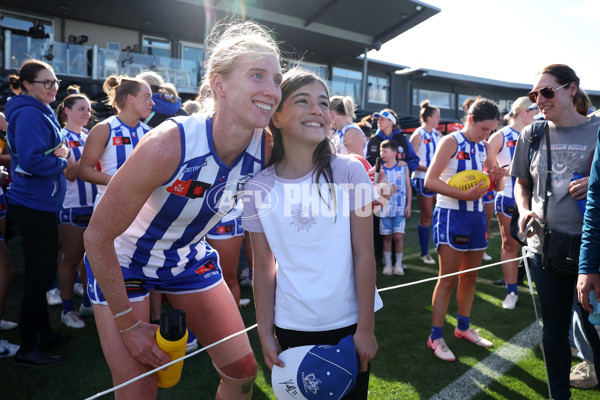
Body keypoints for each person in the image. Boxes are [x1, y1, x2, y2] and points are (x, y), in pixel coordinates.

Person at [82, 21, 282, 399]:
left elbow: (317, 161)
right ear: (218, 84)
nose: (271, 91)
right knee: (139, 393)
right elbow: (96, 237)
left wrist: (354, 172)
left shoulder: (268, 147)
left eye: (276, 79)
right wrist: (128, 327)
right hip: (123, 264)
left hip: (187, 260)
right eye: (257, 75)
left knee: (242, 373)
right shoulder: (168, 143)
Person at [243, 67, 380, 399]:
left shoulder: (351, 172)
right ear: (276, 117)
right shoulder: (256, 189)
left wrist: (366, 327)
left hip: (348, 326)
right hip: (291, 326)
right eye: (302, 101)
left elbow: (365, 253)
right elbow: (263, 266)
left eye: (323, 102)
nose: (317, 110)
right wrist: (264, 332)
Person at [513, 64, 600, 400]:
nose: (540, 100)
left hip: (591, 250)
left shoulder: (596, 129)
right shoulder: (531, 133)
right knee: (554, 330)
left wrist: (594, 185)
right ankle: (559, 395)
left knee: (593, 327)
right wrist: (523, 210)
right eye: (536, 94)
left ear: (571, 90)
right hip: (545, 249)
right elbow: (521, 183)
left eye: (547, 92)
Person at [424, 97, 505, 362]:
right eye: (484, 128)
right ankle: (436, 336)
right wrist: (463, 196)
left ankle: (463, 327)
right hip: (450, 215)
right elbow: (430, 181)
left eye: (491, 130)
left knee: (470, 277)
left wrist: (497, 178)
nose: (487, 134)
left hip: (477, 216)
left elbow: (496, 186)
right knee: (447, 279)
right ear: (470, 120)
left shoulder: (484, 146)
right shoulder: (450, 141)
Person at [5, 59, 71, 367]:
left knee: (39, 274)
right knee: (40, 276)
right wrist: (62, 161)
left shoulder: (34, 110)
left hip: (37, 202)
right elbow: (31, 162)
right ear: (27, 84)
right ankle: (28, 348)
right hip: (34, 204)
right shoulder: (31, 113)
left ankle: (43, 336)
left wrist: (58, 155)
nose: (53, 86)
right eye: (47, 82)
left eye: (55, 81)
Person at [487, 96, 536, 310]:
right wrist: (501, 172)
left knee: (535, 243)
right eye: (535, 111)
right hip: (507, 195)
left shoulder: (537, 132)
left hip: (534, 197)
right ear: (523, 112)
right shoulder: (501, 136)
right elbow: (487, 166)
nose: (539, 115)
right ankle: (512, 291)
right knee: (510, 244)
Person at [55, 86, 97, 329]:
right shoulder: (61, 137)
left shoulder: (89, 135)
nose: (86, 113)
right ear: (67, 111)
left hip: (95, 205)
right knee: (71, 259)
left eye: (88, 110)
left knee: (90, 260)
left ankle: (88, 304)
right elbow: (69, 173)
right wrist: (90, 156)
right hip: (73, 206)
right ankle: (67, 309)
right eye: (81, 109)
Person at [78, 75, 153, 207]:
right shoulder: (104, 129)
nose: (152, 103)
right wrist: (114, 181)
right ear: (131, 98)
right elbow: (84, 171)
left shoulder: (150, 132)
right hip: (109, 206)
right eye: (147, 97)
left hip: (141, 211)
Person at [366, 108, 418, 268]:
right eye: (378, 119)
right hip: (378, 192)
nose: (378, 121)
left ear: (391, 122)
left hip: (399, 195)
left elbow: (414, 160)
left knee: (397, 232)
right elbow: (366, 164)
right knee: (377, 226)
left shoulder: (402, 139)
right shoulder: (374, 140)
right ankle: (378, 259)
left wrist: (405, 164)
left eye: (382, 119)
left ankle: (397, 263)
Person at [410, 100, 442, 265]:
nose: (439, 119)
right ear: (429, 118)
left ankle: (439, 246)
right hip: (422, 179)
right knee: (427, 215)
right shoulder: (418, 134)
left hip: (436, 179)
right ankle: (424, 253)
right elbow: (412, 160)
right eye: (437, 116)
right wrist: (429, 169)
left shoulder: (437, 135)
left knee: (440, 212)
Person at [379, 139, 411, 276]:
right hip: (385, 209)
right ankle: (388, 265)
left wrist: (409, 205)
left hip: (400, 209)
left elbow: (408, 187)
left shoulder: (403, 167)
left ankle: (398, 265)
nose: (382, 154)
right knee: (387, 237)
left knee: (398, 237)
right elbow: (376, 189)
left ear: (394, 153)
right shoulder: (380, 170)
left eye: (385, 151)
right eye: (381, 151)